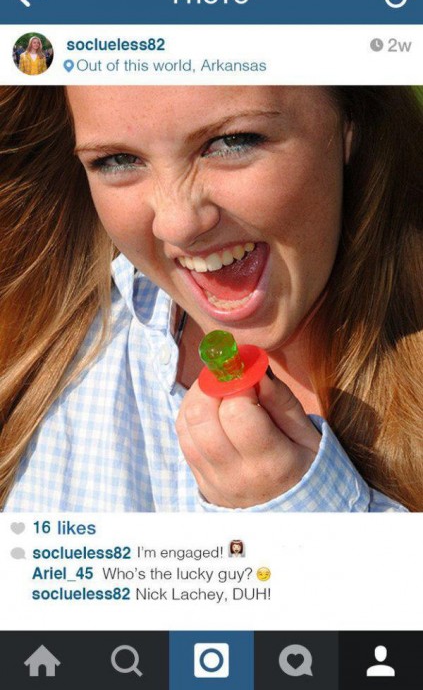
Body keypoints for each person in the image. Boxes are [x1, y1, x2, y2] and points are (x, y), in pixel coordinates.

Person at [0, 86, 421, 512]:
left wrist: (300, 514)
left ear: (350, 125)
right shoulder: (46, 350)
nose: (178, 224)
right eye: (117, 160)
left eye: (232, 142)